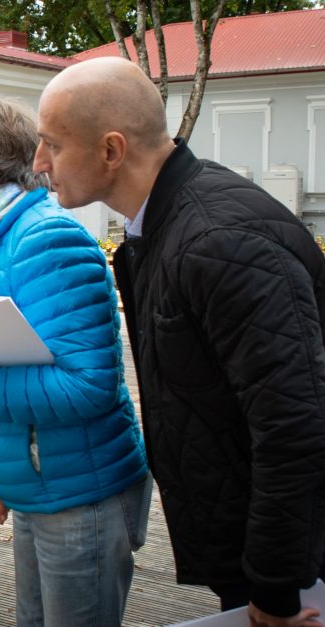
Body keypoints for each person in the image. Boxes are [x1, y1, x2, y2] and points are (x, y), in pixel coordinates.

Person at [33, 56, 325, 626]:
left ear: (111, 150)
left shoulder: (219, 240)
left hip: (297, 567)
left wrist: (274, 584)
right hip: (247, 538)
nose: (39, 162)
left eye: (52, 144)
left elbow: (294, 425)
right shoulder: (166, 226)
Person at [0, 97, 151, 626]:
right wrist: (9, 475)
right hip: (45, 487)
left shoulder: (47, 240)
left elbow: (87, 385)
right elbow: (22, 358)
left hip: (81, 497)